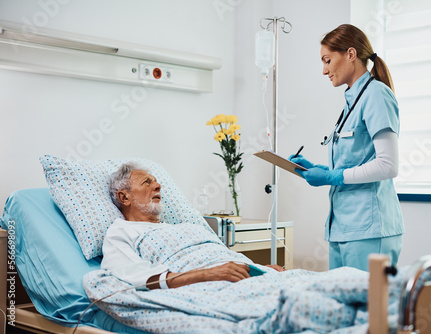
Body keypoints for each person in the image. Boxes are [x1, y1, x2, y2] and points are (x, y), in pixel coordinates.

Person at [290, 24, 404, 271]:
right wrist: (318, 168)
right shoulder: (353, 100)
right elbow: (356, 160)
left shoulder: (376, 95)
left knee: (369, 309)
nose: (324, 70)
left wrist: (332, 176)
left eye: (327, 60)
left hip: (369, 230)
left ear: (351, 54)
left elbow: (388, 165)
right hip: (342, 228)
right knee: (340, 307)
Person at [102, 162, 283, 290]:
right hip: (210, 286)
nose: (158, 185)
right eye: (146, 182)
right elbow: (134, 277)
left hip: (247, 278)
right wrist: (206, 274)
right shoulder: (122, 231)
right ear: (124, 197)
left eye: (156, 181)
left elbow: (221, 258)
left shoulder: (185, 227)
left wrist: (260, 268)